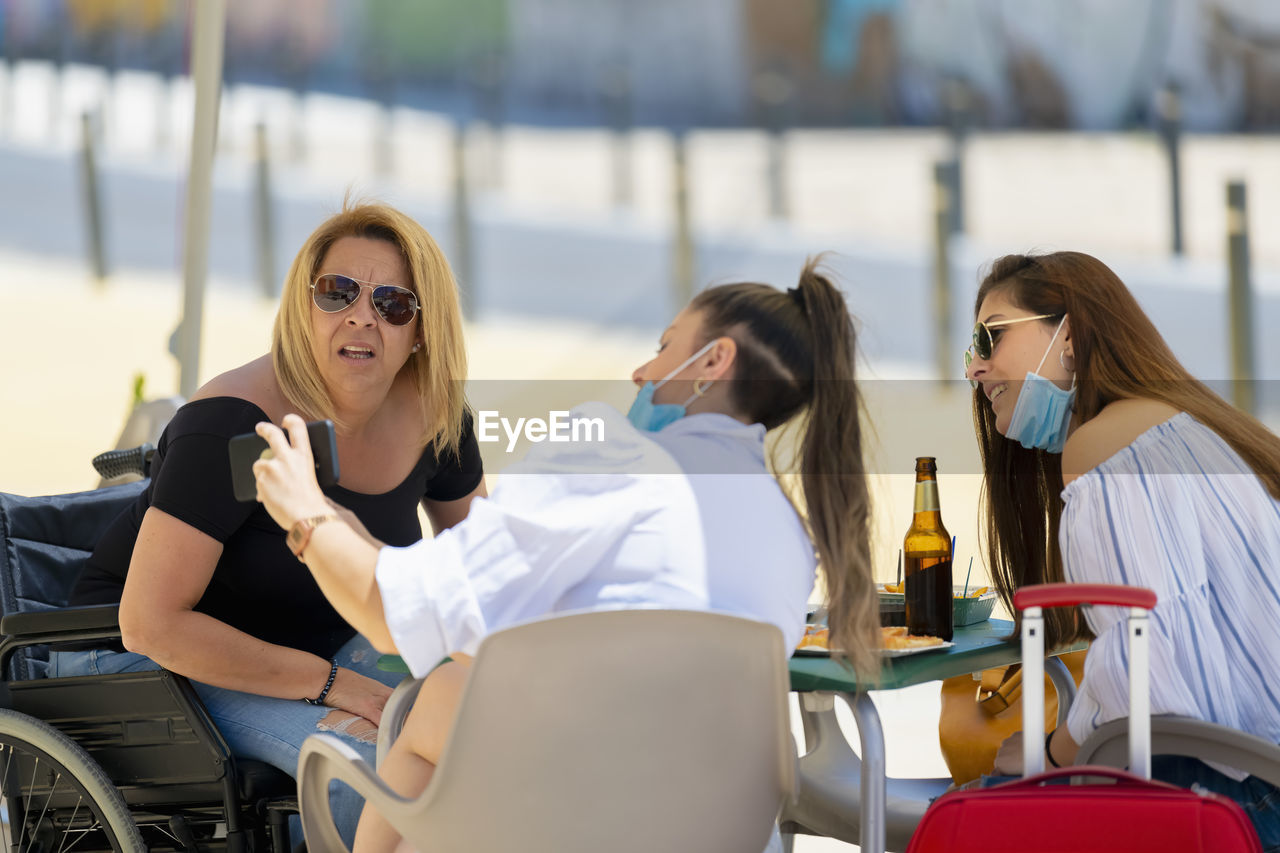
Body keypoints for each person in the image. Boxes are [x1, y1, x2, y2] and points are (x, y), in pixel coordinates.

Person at [251, 258, 879, 852]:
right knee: (452, 696)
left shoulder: (615, 455)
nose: (641, 371)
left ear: (712, 361)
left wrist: (305, 514)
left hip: (573, 820)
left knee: (437, 698)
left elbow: (396, 617)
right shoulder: (788, 532)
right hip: (715, 829)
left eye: (664, 347)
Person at [57, 201, 486, 844]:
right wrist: (341, 688)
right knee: (373, 777)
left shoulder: (439, 420)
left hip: (319, 644)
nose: (361, 315)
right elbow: (150, 623)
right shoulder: (233, 422)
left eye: (394, 302)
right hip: (151, 666)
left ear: (421, 329)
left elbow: (481, 576)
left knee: (483, 732)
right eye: (337, 292)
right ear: (303, 307)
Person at [963, 251, 1280, 848]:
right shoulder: (1172, 424)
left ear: (1071, 338)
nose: (975, 368)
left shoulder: (1104, 448)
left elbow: (1144, 675)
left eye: (992, 337)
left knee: (956, 815)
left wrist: (1049, 754)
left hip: (1236, 794)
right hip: (1255, 778)